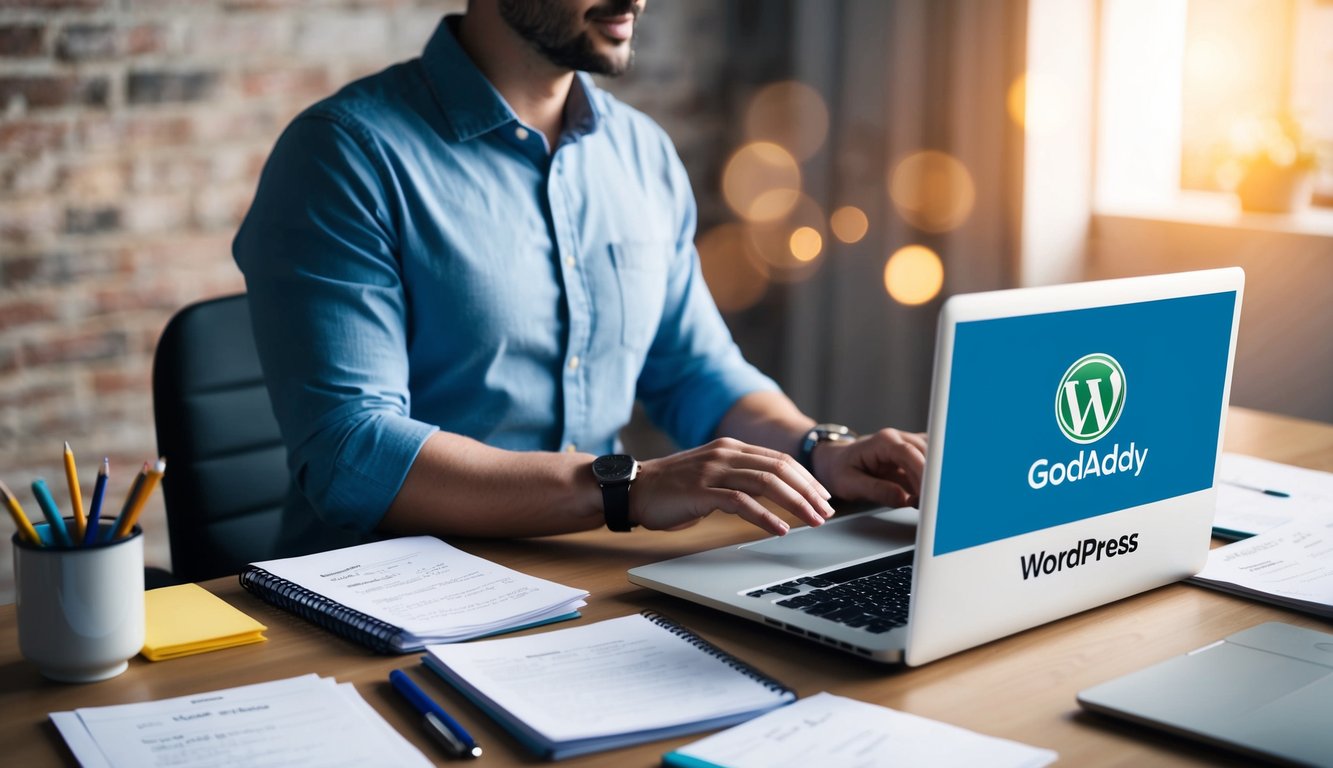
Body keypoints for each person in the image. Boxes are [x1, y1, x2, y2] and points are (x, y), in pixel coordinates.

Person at [233, 0, 926, 557]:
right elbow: (351, 450)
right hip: (383, 602)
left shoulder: (642, 152)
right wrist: (627, 488)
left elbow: (694, 371)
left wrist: (819, 450)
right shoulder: (343, 155)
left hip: (587, 577)